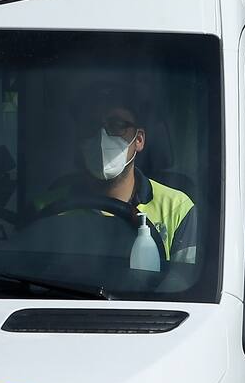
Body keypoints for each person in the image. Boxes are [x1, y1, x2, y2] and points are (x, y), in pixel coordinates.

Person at [38, 84, 198, 263]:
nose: (102, 137)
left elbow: (182, 279)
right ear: (79, 139)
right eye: (91, 126)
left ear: (139, 139)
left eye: (117, 125)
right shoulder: (47, 208)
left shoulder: (177, 208)